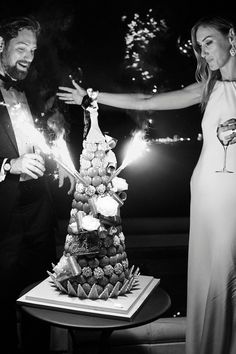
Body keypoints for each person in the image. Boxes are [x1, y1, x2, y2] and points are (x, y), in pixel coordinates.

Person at [57, 15, 236, 354]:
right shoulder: (208, 89)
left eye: (208, 42)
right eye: (199, 47)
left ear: (233, 38)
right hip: (209, 189)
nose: (203, 52)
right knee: (214, 270)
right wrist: (92, 96)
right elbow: (145, 101)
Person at [0, 16, 75, 354]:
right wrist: (8, 165)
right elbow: (11, 156)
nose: (28, 56)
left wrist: (56, 164)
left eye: (31, 50)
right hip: (4, 220)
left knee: (40, 302)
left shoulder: (25, 88)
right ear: (0, 46)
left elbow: (31, 140)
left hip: (39, 213)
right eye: (21, 48)